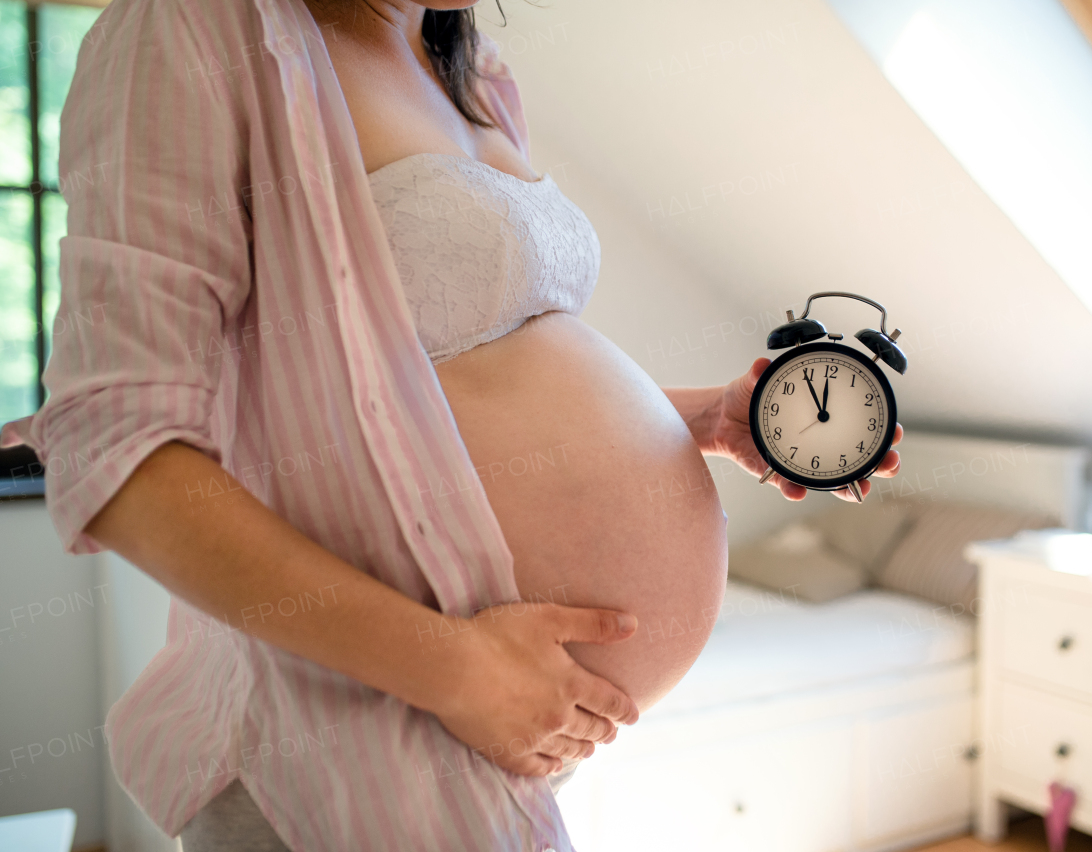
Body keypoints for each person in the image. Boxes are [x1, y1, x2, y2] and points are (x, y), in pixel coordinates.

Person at [0, 0, 902, 849]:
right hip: (338, 749)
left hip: (484, 752)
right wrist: (457, 669)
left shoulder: (462, 64)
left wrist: (700, 419)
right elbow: (119, 446)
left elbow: (443, 379)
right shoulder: (197, 29)